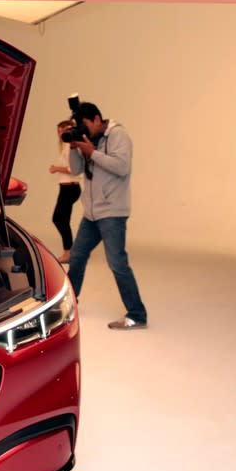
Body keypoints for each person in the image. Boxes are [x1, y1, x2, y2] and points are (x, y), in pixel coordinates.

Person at [66, 102, 148, 330]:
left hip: (112, 211)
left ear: (96, 119)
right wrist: (74, 148)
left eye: (85, 125)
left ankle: (137, 314)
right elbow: (75, 170)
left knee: (117, 263)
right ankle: (67, 306)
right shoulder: (88, 139)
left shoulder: (118, 135)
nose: (84, 129)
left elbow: (122, 166)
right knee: (77, 257)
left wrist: (93, 152)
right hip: (92, 213)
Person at [49, 119, 82, 263]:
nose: (60, 134)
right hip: (67, 188)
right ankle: (70, 251)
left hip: (70, 188)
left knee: (58, 219)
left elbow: (73, 170)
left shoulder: (71, 147)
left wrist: (56, 168)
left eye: (62, 131)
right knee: (63, 220)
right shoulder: (66, 147)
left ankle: (68, 252)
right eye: (58, 132)